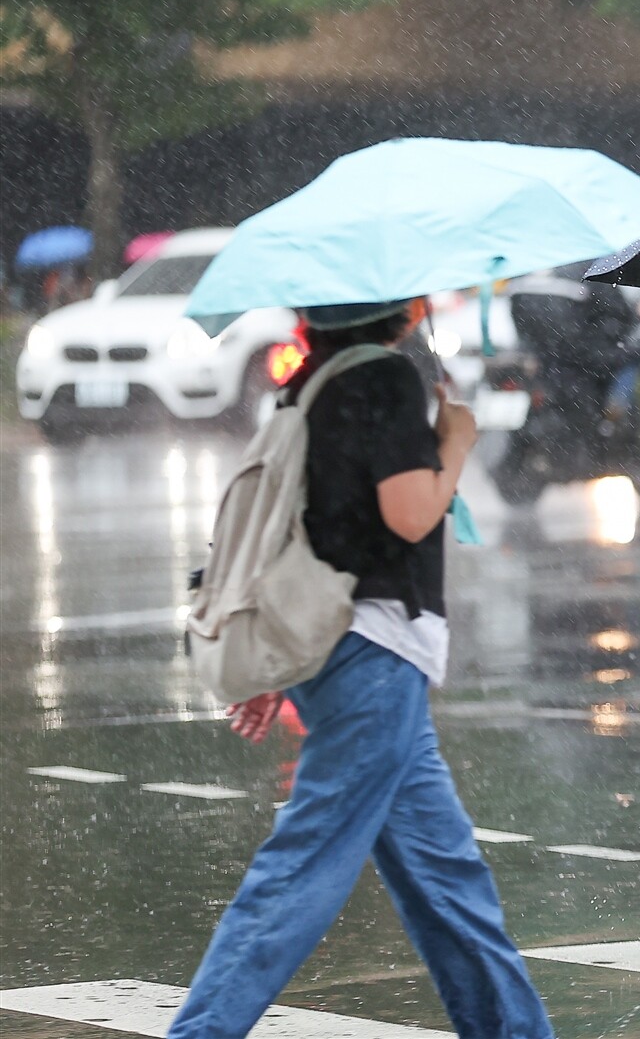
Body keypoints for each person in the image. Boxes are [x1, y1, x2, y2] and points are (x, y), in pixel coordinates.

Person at [167, 300, 554, 1039]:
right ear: (401, 306)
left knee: (447, 880)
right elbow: (409, 513)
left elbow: (314, 531)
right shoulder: (384, 379)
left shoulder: (308, 381)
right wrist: (457, 440)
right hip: (373, 652)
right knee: (304, 865)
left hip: (339, 647)